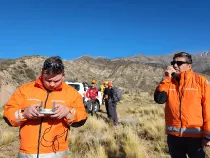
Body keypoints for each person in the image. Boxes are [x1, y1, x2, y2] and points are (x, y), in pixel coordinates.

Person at [3, 56, 88, 158]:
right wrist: (24, 113)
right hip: (27, 155)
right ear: (41, 72)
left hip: (57, 154)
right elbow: (8, 116)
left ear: (63, 76)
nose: (52, 84)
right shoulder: (24, 90)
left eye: (56, 81)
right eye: (47, 80)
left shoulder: (72, 94)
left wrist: (68, 112)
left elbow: (81, 119)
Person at [154, 52, 210, 158]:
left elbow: (208, 109)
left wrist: (208, 135)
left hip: (195, 137)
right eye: (173, 62)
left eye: (179, 63)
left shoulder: (201, 82)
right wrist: (166, 78)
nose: (175, 65)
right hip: (173, 137)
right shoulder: (169, 82)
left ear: (189, 66)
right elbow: (159, 99)